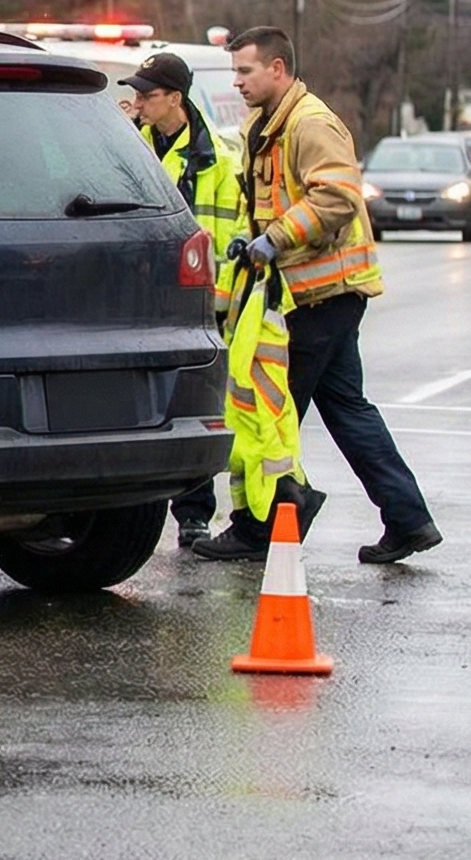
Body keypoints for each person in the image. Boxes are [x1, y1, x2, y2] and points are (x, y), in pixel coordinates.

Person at [207, 27, 440, 563]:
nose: (237, 83)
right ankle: (409, 520)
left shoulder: (310, 124)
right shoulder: (266, 125)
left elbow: (336, 197)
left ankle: (264, 523)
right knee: (347, 409)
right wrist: (253, 236)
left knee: (268, 410)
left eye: (245, 71)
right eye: (235, 72)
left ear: (278, 69)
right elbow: (271, 198)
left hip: (322, 295)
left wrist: (276, 238)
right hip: (310, 294)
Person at [121, 53, 250, 547]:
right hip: (138, 301)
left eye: (148, 95)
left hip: (200, 305)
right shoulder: (130, 146)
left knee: (195, 409)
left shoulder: (216, 159)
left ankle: (194, 512)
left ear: (175, 98)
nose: (140, 103)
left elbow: (236, 228)